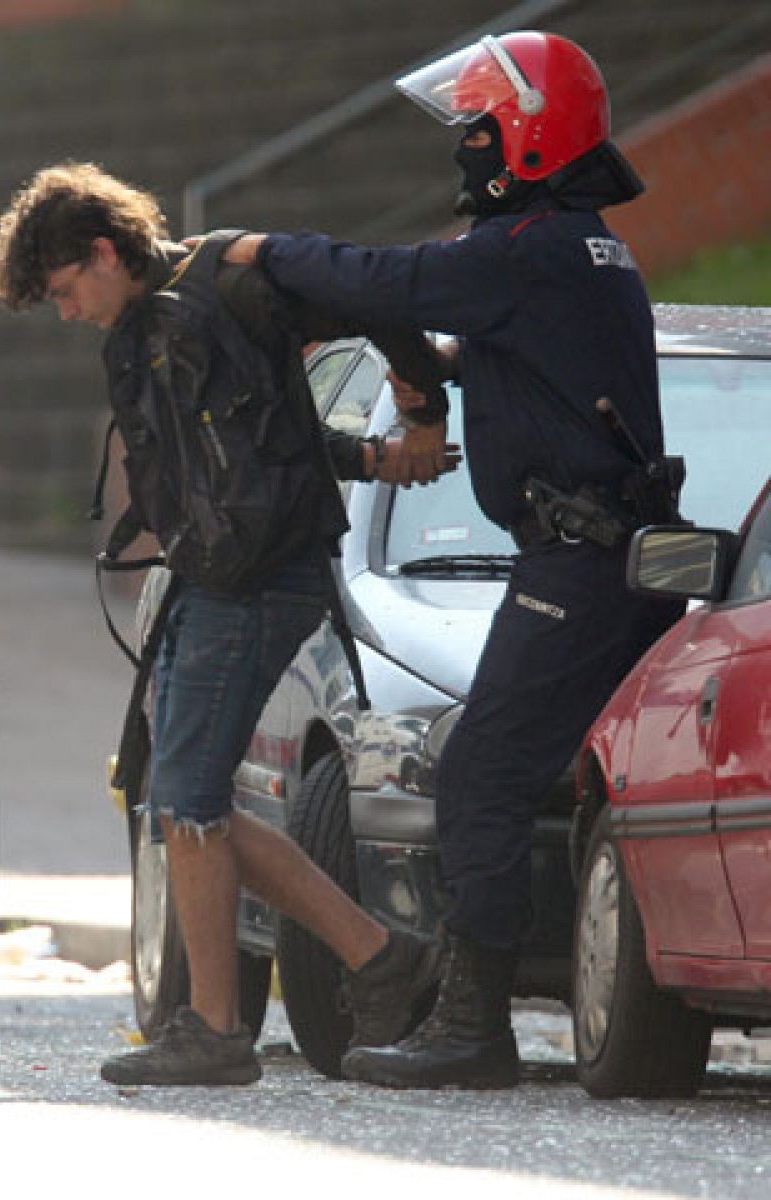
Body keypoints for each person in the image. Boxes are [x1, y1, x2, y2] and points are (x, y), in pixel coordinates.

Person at [219, 31, 686, 1090]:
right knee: (536, 777)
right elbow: (526, 357)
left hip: (578, 562)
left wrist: (263, 250)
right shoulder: (581, 250)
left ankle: (474, 1028)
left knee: (480, 773)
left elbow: (391, 278)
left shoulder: (529, 248)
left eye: (477, 128)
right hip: (598, 554)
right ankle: (513, 1014)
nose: (464, 146)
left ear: (526, 140)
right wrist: (437, 365)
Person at [0, 161, 455, 1087]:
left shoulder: (236, 281)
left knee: (188, 802)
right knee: (187, 801)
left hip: (261, 581)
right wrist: (367, 458)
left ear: (104, 252)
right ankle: (378, 957)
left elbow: (380, 296)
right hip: (212, 576)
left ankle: (219, 1029)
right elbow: (256, 445)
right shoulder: (138, 329)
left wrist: (424, 405)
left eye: (67, 290)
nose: (67, 313)